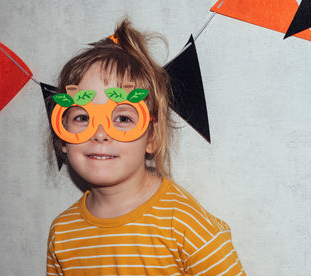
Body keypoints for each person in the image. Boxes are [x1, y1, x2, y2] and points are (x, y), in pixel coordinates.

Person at [46, 19, 245, 275]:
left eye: (123, 118)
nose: (100, 133)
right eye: (82, 117)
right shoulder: (62, 233)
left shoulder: (183, 222)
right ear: (63, 136)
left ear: (152, 138)